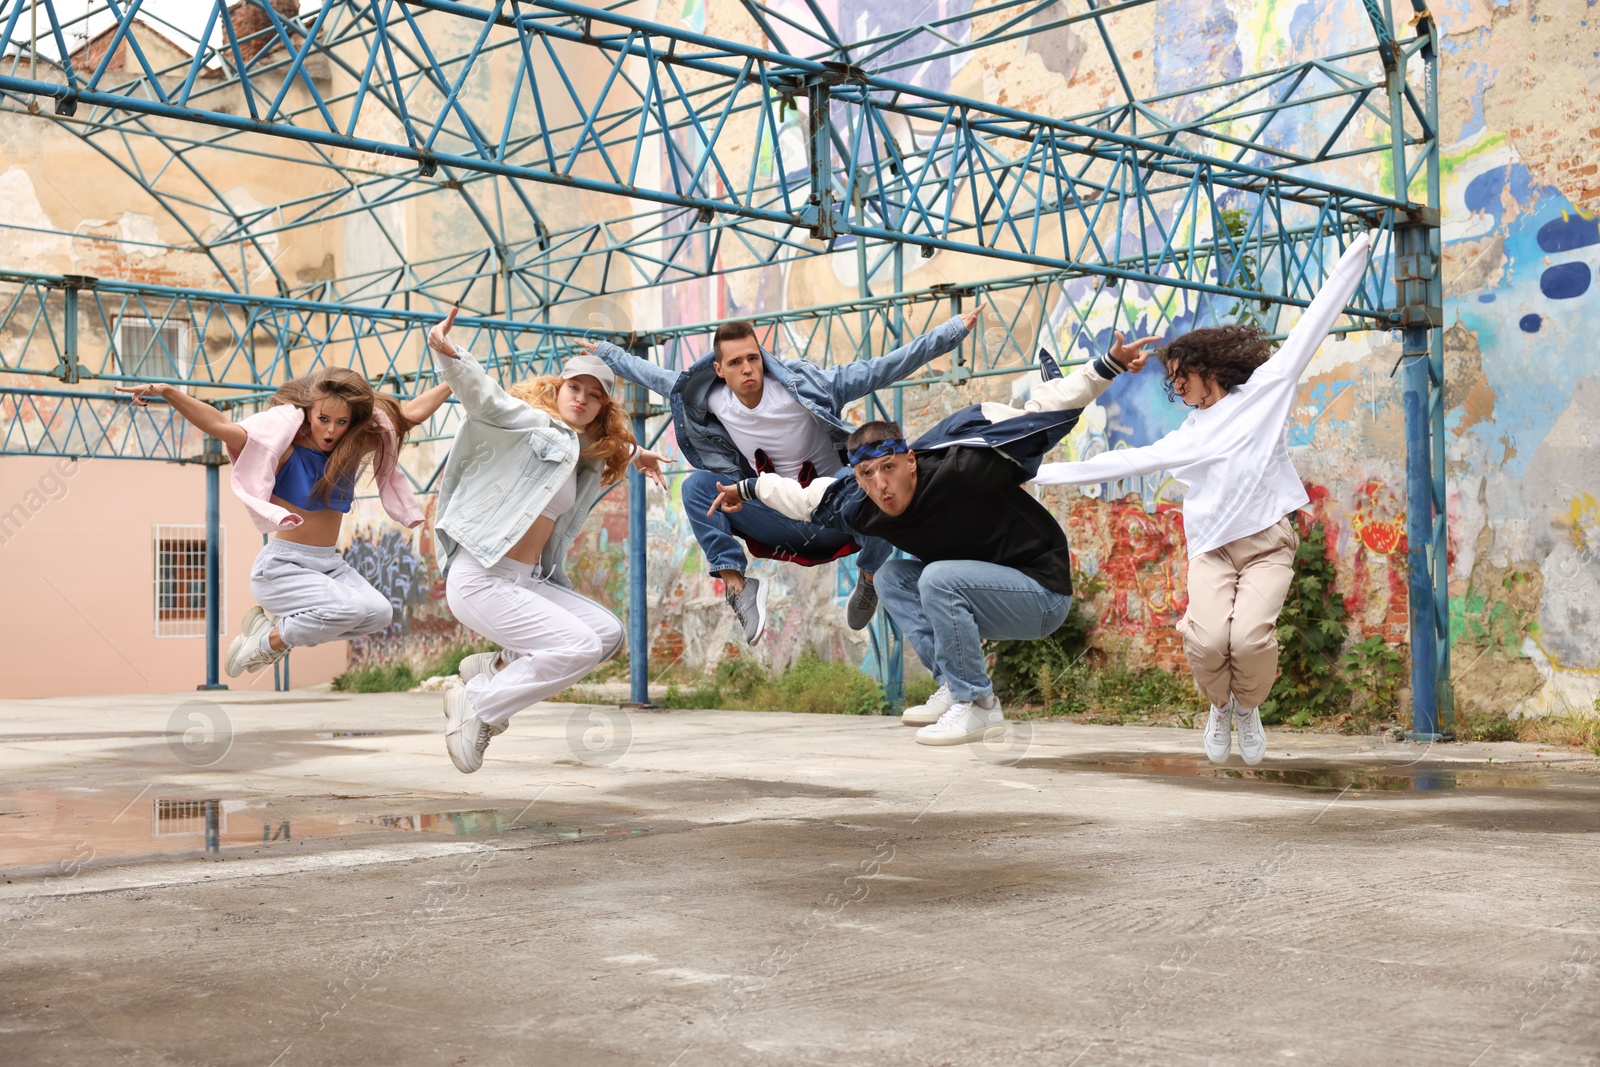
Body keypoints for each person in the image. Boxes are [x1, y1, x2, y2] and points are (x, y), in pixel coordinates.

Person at [705, 337, 1155, 745]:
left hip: (1039, 591)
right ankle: (954, 687)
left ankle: (979, 705)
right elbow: (801, 499)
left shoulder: (963, 465)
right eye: (868, 475)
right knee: (892, 577)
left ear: (911, 463)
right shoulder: (857, 502)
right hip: (982, 592)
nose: (882, 485)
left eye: (890, 469)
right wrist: (745, 489)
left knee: (938, 577)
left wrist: (1107, 366)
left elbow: (1040, 412)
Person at [1031, 231, 1373, 766]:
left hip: (1266, 545)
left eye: (1180, 377)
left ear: (1205, 366)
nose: (1178, 389)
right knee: (1210, 642)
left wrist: (1360, 251)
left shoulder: (1266, 390)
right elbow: (1122, 461)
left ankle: (1248, 709)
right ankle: (1220, 707)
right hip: (1212, 550)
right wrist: (1040, 474)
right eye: (1171, 383)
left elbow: (1316, 322)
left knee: (1251, 641)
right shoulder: (1188, 435)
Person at [577, 307, 984, 645]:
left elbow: (885, 368)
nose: (747, 368)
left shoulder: (810, 387)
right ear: (719, 370)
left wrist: (950, 332)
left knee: (876, 485)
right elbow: (650, 375)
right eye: (735, 363)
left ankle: (870, 577)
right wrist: (605, 351)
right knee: (699, 486)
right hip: (775, 514)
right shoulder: (709, 399)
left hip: (836, 514)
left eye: (753, 358)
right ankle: (739, 588)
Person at [426, 308, 670, 774]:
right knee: (575, 646)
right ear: (558, 389)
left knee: (605, 635)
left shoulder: (584, 453)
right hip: (480, 574)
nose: (581, 398)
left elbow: (592, 447)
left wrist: (636, 453)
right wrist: (451, 355)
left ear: (602, 408)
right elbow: (485, 400)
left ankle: (496, 669)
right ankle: (477, 705)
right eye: (574, 388)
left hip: (522, 580)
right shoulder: (528, 423)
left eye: (593, 396)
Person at [117, 369, 451, 678]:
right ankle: (268, 642)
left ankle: (273, 632)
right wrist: (168, 392)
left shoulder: (352, 450)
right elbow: (218, 425)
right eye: (323, 419)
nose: (331, 430)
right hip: (282, 567)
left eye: (341, 422)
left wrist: (459, 377)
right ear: (308, 413)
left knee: (379, 613)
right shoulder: (284, 451)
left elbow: (409, 415)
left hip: (328, 566)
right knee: (349, 609)